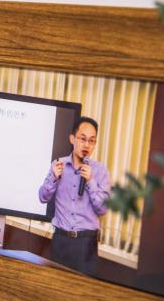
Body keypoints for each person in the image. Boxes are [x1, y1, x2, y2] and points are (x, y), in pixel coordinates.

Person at [38, 116, 110, 276]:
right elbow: (42, 197)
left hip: (86, 244)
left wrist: (90, 181)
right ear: (72, 139)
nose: (87, 145)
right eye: (83, 139)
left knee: (82, 289)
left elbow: (103, 209)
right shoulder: (58, 165)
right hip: (60, 240)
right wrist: (54, 178)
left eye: (91, 141)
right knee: (56, 285)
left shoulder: (100, 171)